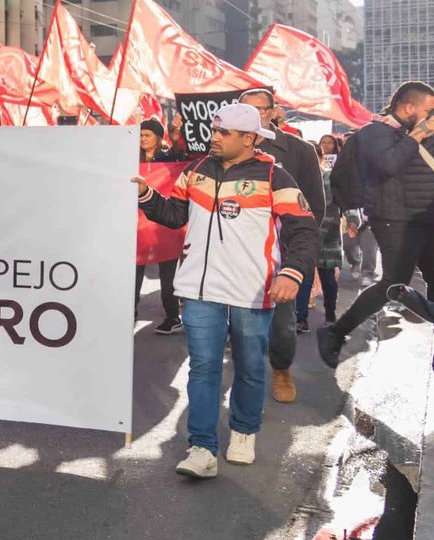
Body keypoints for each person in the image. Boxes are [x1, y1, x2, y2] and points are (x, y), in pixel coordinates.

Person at [135, 103, 315, 479]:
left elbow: (304, 230)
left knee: (249, 365)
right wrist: (146, 195)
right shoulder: (196, 170)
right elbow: (175, 215)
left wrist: (293, 273)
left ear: (248, 139)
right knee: (203, 367)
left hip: (253, 291)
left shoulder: (275, 176)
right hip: (199, 290)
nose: (214, 137)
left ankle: (244, 432)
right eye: (214, 130)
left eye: (223, 133)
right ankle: (202, 447)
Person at [319, 81, 434, 370]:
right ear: (409, 107)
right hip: (394, 218)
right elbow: (387, 165)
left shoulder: (428, 135)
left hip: (427, 218)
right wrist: (418, 134)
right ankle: (335, 332)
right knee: (394, 282)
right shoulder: (375, 132)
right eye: (430, 110)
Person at [237, 88, 326, 404]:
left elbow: (314, 205)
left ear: (273, 112)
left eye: (260, 109)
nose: (254, 115)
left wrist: (298, 251)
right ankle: (243, 374)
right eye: (246, 109)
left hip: (280, 254)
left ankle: (281, 369)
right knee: (237, 321)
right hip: (236, 250)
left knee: (283, 323)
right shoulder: (227, 146)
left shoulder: (299, 150)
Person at [137, 118, 187, 333]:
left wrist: (177, 138)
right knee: (132, 274)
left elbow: (185, 157)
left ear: (158, 137)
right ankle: (128, 313)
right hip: (137, 227)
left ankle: (172, 316)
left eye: (147, 135)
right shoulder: (129, 158)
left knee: (168, 278)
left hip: (164, 226)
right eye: (140, 135)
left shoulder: (170, 158)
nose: (142, 139)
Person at [296, 152, 343, 334]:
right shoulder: (300, 177)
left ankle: (330, 316)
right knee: (306, 276)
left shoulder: (329, 178)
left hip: (326, 232)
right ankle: (301, 319)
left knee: (327, 277)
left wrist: (353, 219)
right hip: (308, 231)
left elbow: (341, 201)